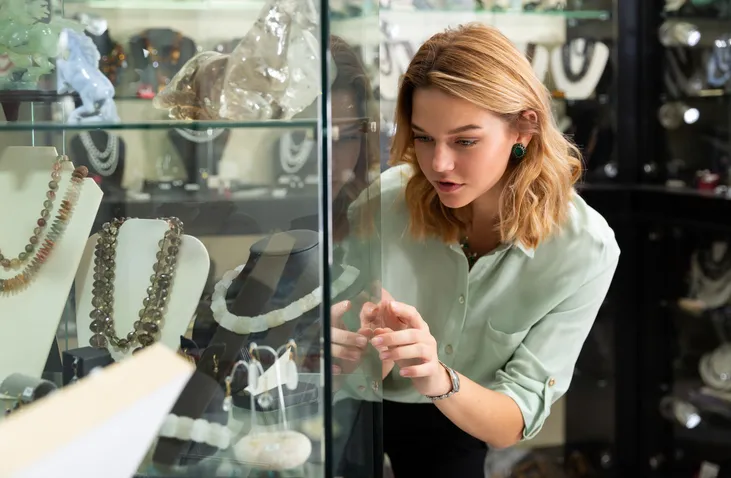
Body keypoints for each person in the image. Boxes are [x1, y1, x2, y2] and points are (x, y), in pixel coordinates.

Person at [331, 23, 620, 478]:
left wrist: (436, 376)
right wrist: (337, 352)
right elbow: (327, 354)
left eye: (464, 141)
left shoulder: (583, 249)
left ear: (524, 129)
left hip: (464, 413)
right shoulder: (384, 202)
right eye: (424, 138)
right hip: (353, 409)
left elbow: (512, 421)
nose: (438, 164)